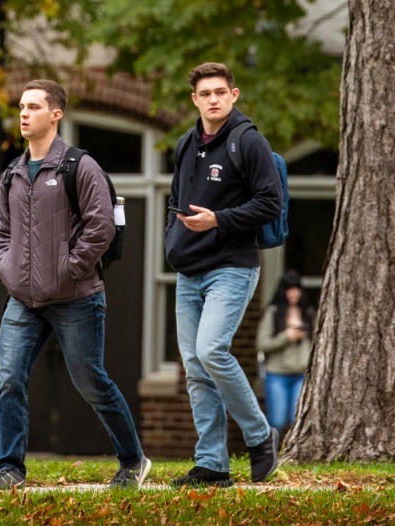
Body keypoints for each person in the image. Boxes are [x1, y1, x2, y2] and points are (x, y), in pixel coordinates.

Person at [0, 79, 151, 491]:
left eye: (34, 107)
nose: (24, 114)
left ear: (56, 114)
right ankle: (9, 470)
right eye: (22, 107)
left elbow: (101, 226)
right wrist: (6, 268)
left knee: (91, 382)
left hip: (76, 297)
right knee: (10, 380)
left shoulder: (79, 166)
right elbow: (2, 230)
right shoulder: (12, 173)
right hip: (23, 299)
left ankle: (132, 460)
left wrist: (69, 270)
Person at [166, 62, 284, 487]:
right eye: (205, 94)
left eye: (220, 92)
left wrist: (218, 219)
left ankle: (260, 435)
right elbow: (175, 199)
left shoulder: (247, 141)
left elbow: (270, 203)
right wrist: (172, 242)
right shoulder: (185, 144)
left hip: (231, 267)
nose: (213, 99)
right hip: (189, 271)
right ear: (195, 100)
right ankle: (212, 464)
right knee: (196, 367)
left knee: (212, 350)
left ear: (234, 95)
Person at [256, 270, 314, 441]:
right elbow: (261, 344)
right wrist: (286, 337)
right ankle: (271, 450)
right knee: (277, 420)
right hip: (277, 374)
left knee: (298, 420)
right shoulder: (272, 313)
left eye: (296, 289)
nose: (294, 293)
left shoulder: (308, 312)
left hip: (301, 374)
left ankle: (292, 450)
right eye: (289, 289)